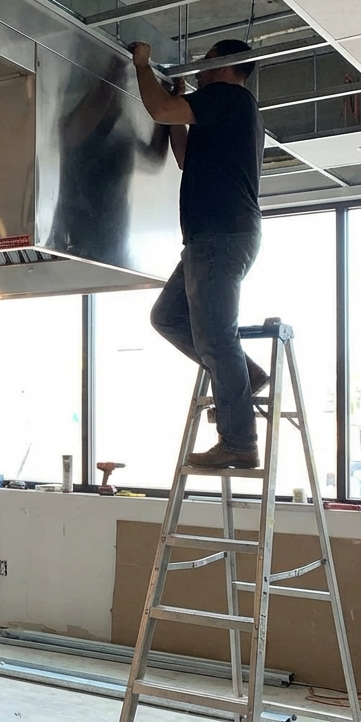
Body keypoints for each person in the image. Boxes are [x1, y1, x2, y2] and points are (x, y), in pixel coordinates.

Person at [128, 38, 266, 469]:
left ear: (226, 65)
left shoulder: (229, 97)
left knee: (215, 335)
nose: (201, 69)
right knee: (167, 317)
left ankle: (239, 442)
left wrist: (142, 65)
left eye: (207, 62)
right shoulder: (227, 109)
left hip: (221, 234)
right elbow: (186, 154)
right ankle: (248, 376)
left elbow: (158, 111)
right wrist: (178, 106)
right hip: (211, 236)